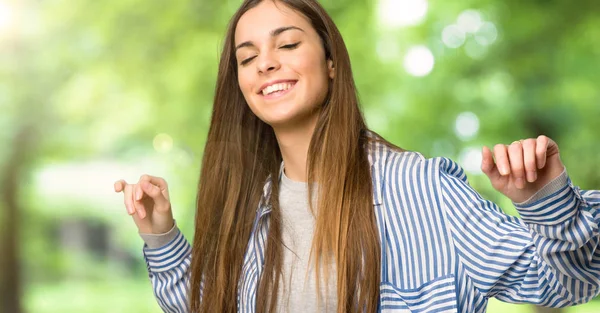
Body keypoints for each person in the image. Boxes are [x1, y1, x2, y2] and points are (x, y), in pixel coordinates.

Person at [113, 0, 600, 312]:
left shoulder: (419, 187)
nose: (265, 62)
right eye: (246, 56)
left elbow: (565, 285)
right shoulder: (248, 209)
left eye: (287, 43)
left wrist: (545, 202)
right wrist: (161, 237)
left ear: (330, 63)